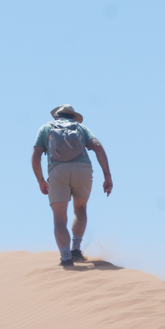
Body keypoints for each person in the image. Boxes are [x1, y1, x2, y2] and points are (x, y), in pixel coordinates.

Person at [32, 104, 113, 267]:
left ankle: (66, 257)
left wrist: (40, 180)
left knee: (59, 217)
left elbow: (36, 156)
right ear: (73, 117)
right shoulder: (81, 128)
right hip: (82, 169)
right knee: (81, 209)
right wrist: (107, 175)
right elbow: (98, 147)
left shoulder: (46, 127)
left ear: (56, 117)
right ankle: (76, 249)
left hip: (58, 170)